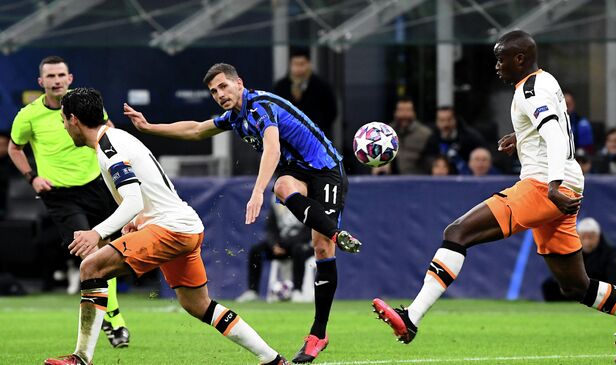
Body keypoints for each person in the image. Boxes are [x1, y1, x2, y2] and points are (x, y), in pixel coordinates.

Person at [371, 30, 616, 365]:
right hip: (562, 182)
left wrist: (552, 184)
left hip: (544, 184)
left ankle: (411, 318)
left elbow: (554, 136)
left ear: (520, 58)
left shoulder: (530, 90)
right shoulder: (544, 81)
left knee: (456, 233)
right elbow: (553, 129)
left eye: (502, 58)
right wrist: (522, 137)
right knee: (575, 286)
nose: (498, 65)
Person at [124, 62, 361, 363]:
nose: (219, 94)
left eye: (223, 86)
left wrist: (256, 191)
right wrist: (149, 127)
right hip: (296, 172)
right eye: (213, 91)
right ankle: (334, 237)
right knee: (284, 188)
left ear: (239, 83)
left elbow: (272, 149)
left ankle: (318, 330)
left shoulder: (261, 106)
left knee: (321, 246)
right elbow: (197, 129)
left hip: (325, 168)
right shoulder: (234, 118)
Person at [44, 88, 289, 365]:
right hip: (185, 226)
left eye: (63, 120)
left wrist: (96, 232)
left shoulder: (110, 148)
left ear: (74, 119)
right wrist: (138, 222)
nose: (64, 126)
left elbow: (134, 200)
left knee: (91, 267)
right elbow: (154, 188)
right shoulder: (118, 137)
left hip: (170, 229)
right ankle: (272, 359)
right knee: (198, 305)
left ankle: (81, 358)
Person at [7, 56, 129, 347]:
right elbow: (15, 148)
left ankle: (110, 315)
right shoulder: (28, 115)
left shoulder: (85, 104)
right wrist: (32, 177)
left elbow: (106, 131)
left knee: (108, 252)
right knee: (89, 254)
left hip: (96, 185)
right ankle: (114, 318)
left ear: (70, 78)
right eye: (50, 76)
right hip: (60, 195)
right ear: (41, 82)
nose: (56, 80)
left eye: (61, 74)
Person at [236, 195, 313, 303]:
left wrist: (286, 244)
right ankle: (252, 291)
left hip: (302, 245)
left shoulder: (307, 199)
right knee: (256, 251)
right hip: (280, 245)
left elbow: (308, 232)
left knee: (298, 250)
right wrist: (274, 245)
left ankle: (297, 290)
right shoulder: (276, 201)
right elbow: (270, 228)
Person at [542, 217, 616, 301]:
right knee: (549, 285)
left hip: (601, 287)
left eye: (591, 237)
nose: (587, 242)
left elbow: (614, 279)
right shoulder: (569, 249)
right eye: (583, 237)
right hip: (577, 286)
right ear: (577, 236)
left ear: (598, 236)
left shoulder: (610, 251)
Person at [273, 47, 338, 138]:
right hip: (288, 138)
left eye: (302, 64)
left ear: (309, 64)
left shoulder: (322, 87)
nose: (298, 69)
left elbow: (331, 112)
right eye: (295, 64)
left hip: (316, 138)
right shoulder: (281, 87)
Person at [372, 96, 432, 175]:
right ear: (395, 113)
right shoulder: (384, 133)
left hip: (418, 181)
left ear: (414, 113)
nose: (404, 114)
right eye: (401, 110)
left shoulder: (426, 134)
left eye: (408, 110)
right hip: (390, 181)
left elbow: (432, 163)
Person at [425, 106, 485, 174]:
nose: (445, 124)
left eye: (449, 120)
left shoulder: (470, 138)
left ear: (455, 120)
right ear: (436, 122)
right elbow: (428, 160)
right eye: (442, 120)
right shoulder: (431, 138)